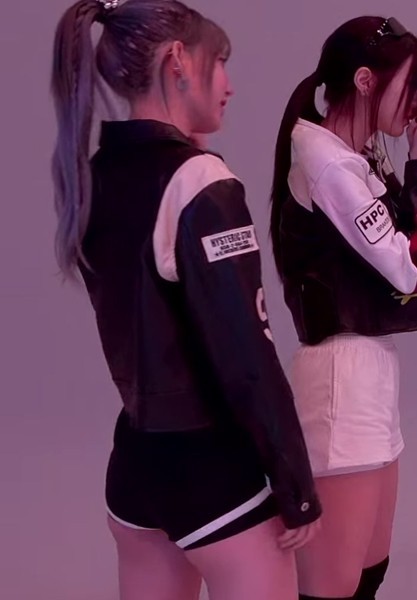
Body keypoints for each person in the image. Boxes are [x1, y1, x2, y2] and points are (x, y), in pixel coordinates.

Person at [50, 1, 321, 599]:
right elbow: (247, 357)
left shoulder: (92, 176)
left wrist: (187, 146)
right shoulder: (201, 183)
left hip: (134, 465)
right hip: (212, 471)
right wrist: (297, 487)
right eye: (219, 61)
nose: (230, 84)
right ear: (178, 61)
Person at [270, 15, 417, 600]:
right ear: (364, 80)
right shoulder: (327, 162)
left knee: (370, 573)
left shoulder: (359, 156)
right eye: (411, 84)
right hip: (341, 381)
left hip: (370, 371)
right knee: (334, 589)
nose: (416, 102)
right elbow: (407, 268)